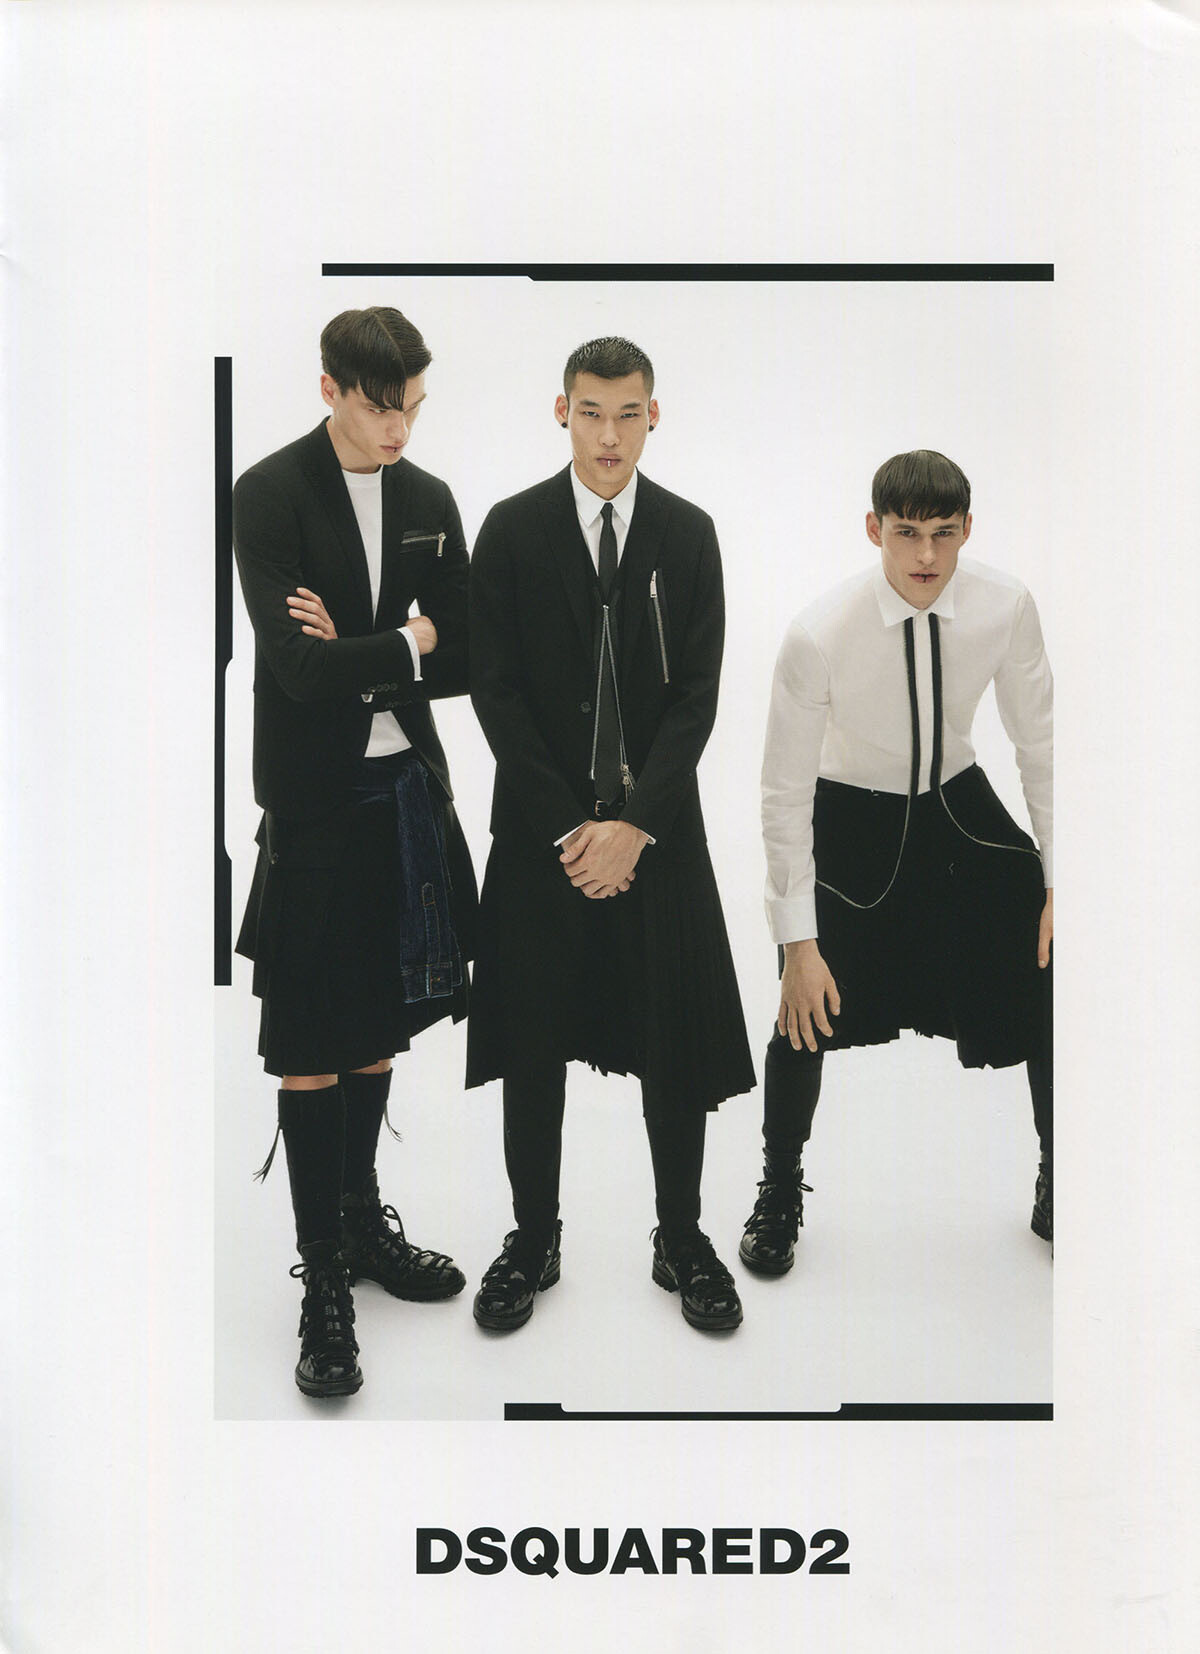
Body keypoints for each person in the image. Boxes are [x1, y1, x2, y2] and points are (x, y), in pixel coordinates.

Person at [466, 336, 755, 1334]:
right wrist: (569, 828)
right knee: (531, 1043)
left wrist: (634, 826)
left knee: (673, 1043)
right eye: (590, 412)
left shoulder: (689, 533)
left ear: (653, 417)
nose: (609, 435)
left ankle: (681, 1237)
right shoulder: (510, 529)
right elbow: (495, 692)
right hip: (539, 835)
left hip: (658, 835)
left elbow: (698, 697)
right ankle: (531, 1238)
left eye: (628, 413)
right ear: (562, 412)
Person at [232, 306, 477, 1397]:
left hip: (405, 789)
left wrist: (378, 649)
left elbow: (470, 650)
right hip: (313, 799)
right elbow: (295, 670)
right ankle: (323, 1277)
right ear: (329, 387)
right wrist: (410, 640)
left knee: (377, 1029)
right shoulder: (269, 493)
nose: (400, 431)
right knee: (308, 1044)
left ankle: (362, 1221)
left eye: (413, 407)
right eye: (381, 408)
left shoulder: (428, 500)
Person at [744, 449, 1053, 1276]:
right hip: (853, 817)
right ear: (873, 529)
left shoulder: (1006, 605)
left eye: (943, 534)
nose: (925, 555)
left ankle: (1061, 1175)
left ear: (967, 530)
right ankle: (779, 1187)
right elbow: (782, 794)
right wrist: (797, 941)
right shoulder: (818, 633)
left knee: (1049, 948)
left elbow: (1042, 748)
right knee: (803, 1006)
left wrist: (1061, 881)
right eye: (907, 533)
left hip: (957, 807)